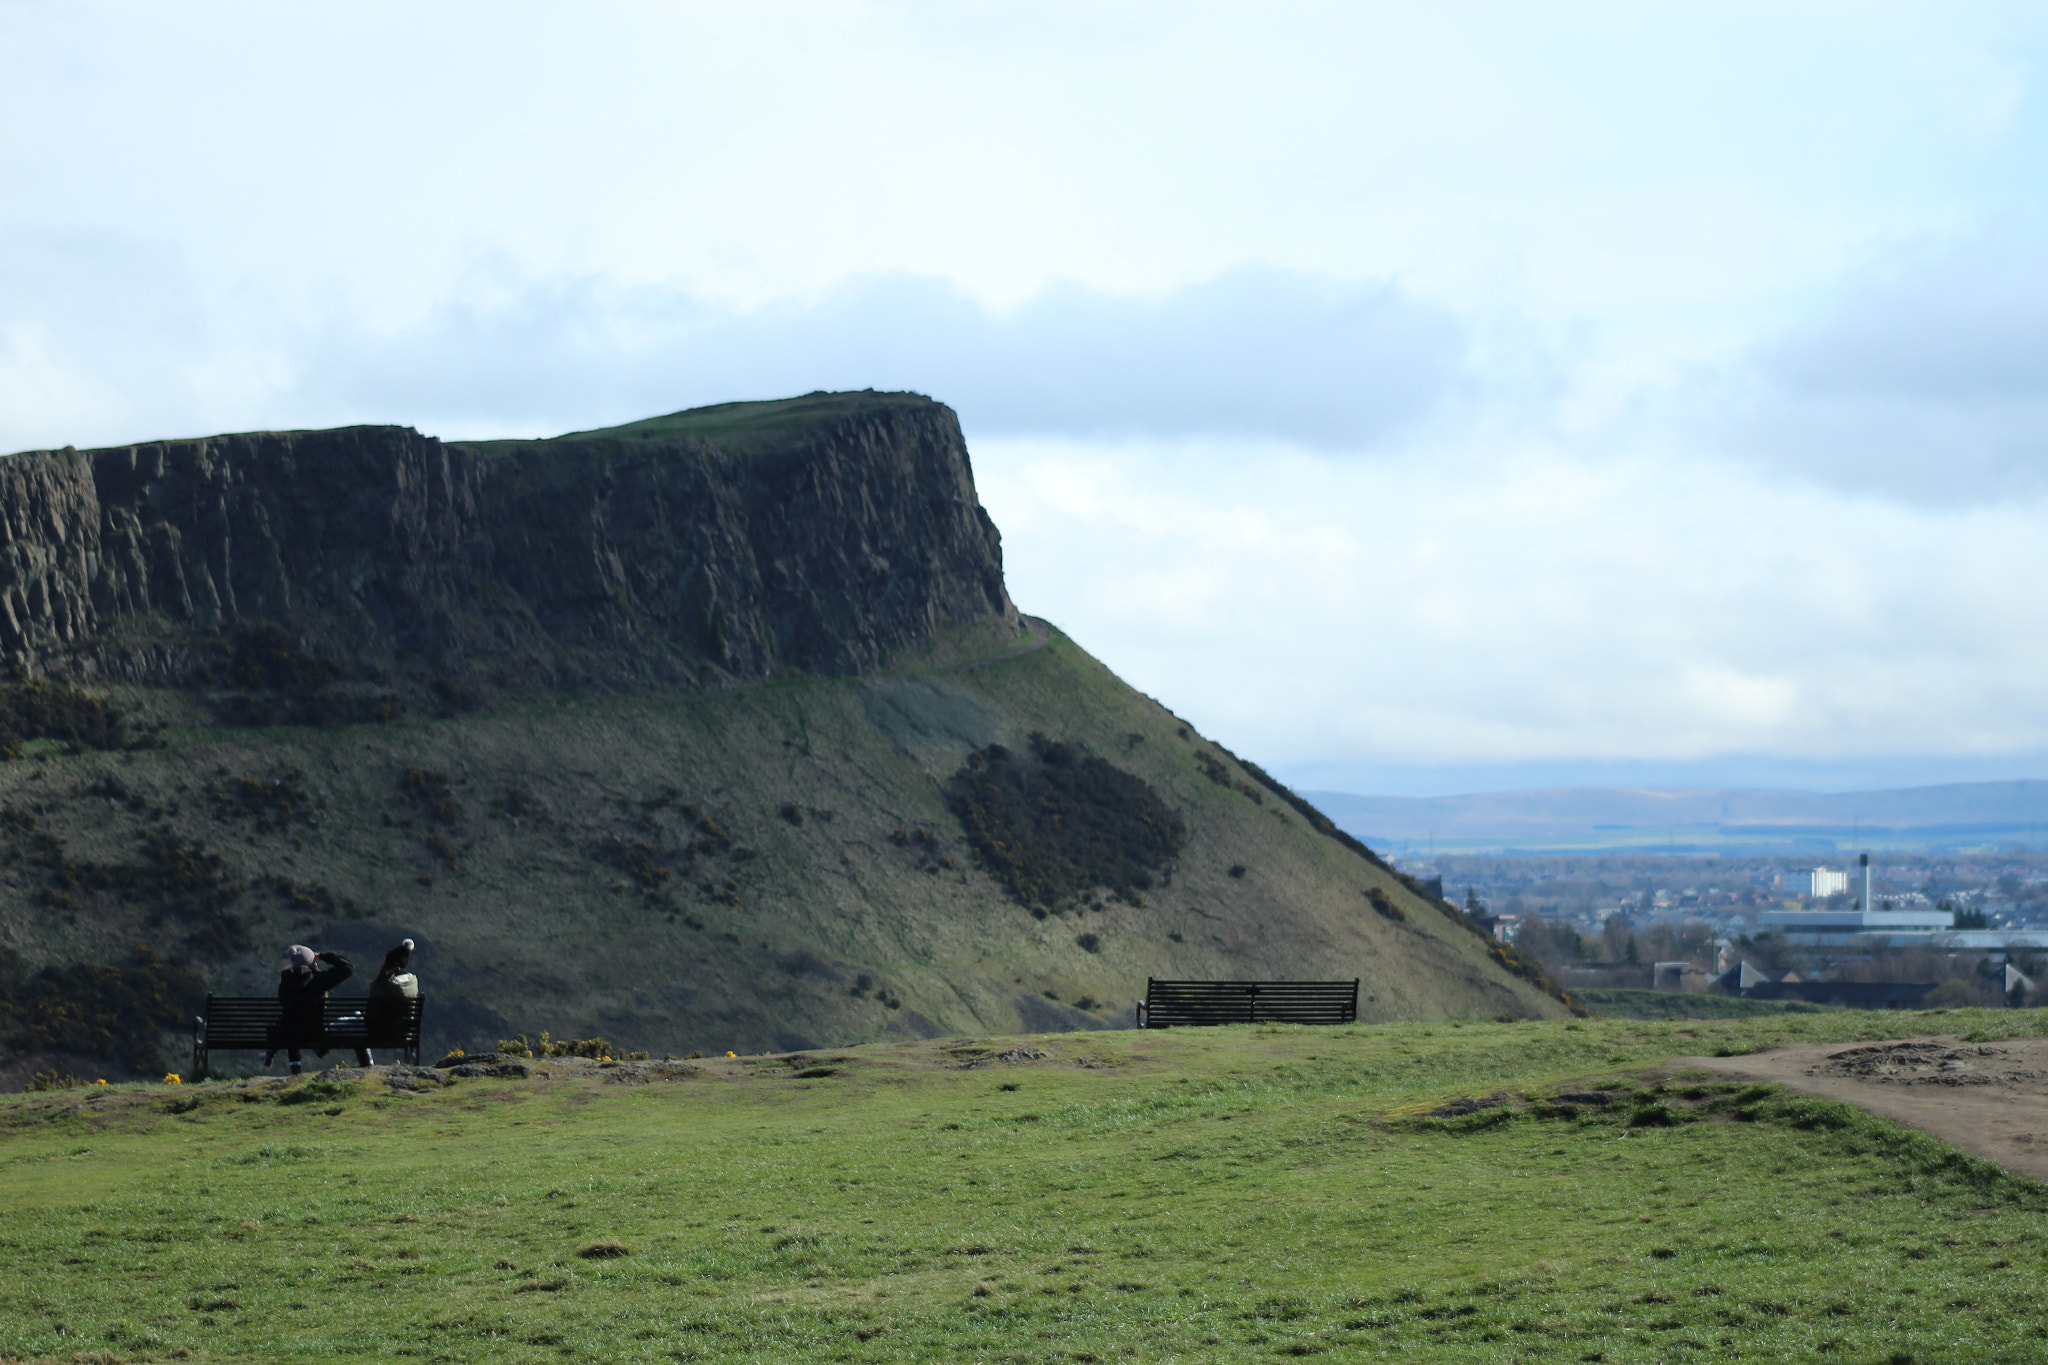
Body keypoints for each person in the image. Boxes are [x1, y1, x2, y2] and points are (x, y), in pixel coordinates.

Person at [263, 945, 358, 1074]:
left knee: (292, 1022)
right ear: (312, 961)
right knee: (300, 1023)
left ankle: (295, 1071)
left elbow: (283, 1003)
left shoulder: (285, 981)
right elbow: (348, 968)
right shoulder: (319, 980)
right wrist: (324, 956)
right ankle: (317, 1048)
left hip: (289, 1033)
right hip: (315, 1034)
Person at [364, 939, 419, 1065]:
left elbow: (371, 1014)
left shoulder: (380, 985)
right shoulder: (412, 981)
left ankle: (367, 1065)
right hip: (405, 1032)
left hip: (381, 1033)